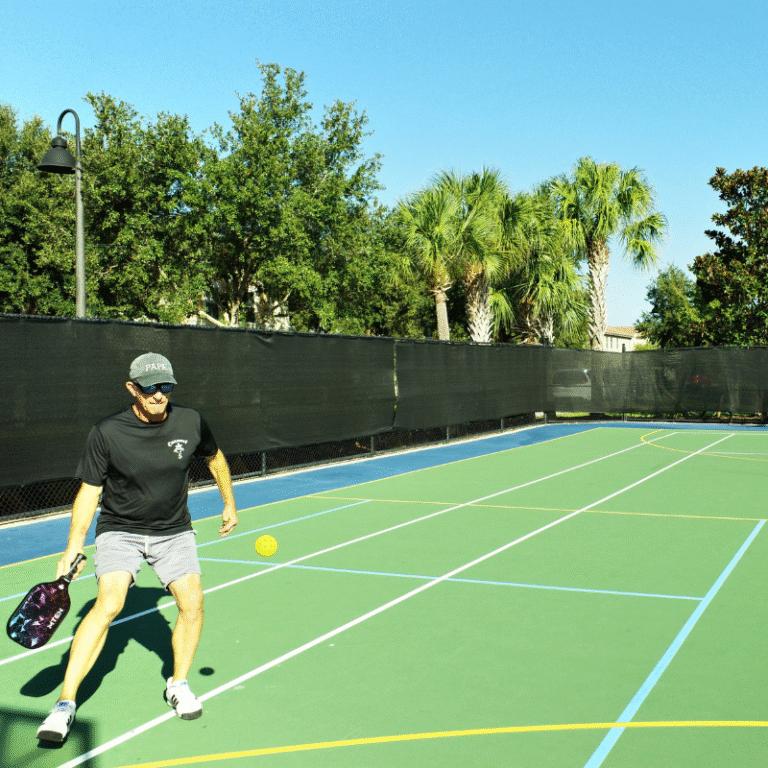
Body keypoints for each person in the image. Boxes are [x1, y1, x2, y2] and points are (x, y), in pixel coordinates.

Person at [37, 353, 238, 742]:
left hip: (174, 531)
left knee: (192, 602)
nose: (159, 395)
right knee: (109, 603)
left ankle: (178, 684)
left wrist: (229, 501)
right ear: (133, 389)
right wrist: (73, 547)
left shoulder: (190, 421)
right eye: (150, 388)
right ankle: (64, 705)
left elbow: (215, 458)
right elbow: (90, 491)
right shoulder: (107, 432)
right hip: (121, 530)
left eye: (166, 386)